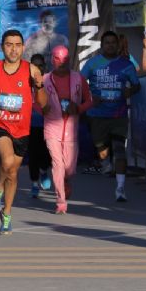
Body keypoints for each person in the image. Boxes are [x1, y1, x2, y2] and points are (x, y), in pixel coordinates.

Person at [0, 29, 47, 235]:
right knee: (6, 161)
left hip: (21, 129)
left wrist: (39, 86)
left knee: (13, 173)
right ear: (2, 46)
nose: (13, 49)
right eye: (8, 44)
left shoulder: (31, 70)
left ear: (23, 48)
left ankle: (6, 214)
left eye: (17, 45)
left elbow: (43, 104)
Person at [81, 31, 141, 202]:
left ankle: (120, 188)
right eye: (107, 43)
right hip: (97, 115)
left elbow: (137, 86)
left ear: (117, 45)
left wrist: (130, 90)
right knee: (102, 151)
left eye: (113, 43)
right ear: (102, 45)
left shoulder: (126, 64)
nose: (110, 45)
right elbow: (80, 83)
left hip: (118, 114)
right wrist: (91, 98)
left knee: (120, 150)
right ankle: (105, 162)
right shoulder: (92, 64)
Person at [40, 46, 92, 214]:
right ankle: (60, 201)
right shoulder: (44, 79)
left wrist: (77, 108)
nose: (61, 63)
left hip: (71, 129)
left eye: (65, 60)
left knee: (69, 168)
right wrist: (43, 109)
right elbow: (35, 101)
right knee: (58, 164)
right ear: (52, 60)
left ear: (69, 60)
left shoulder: (78, 78)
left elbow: (89, 100)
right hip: (51, 128)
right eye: (57, 59)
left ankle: (65, 181)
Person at [27, 54, 53, 198]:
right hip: (29, 126)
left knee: (46, 155)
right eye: (34, 65)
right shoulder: (25, 82)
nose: (37, 68)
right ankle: (34, 184)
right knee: (33, 156)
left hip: (48, 125)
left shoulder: (50, 81)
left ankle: (44, 171)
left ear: (45, 66)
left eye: (40, 65)